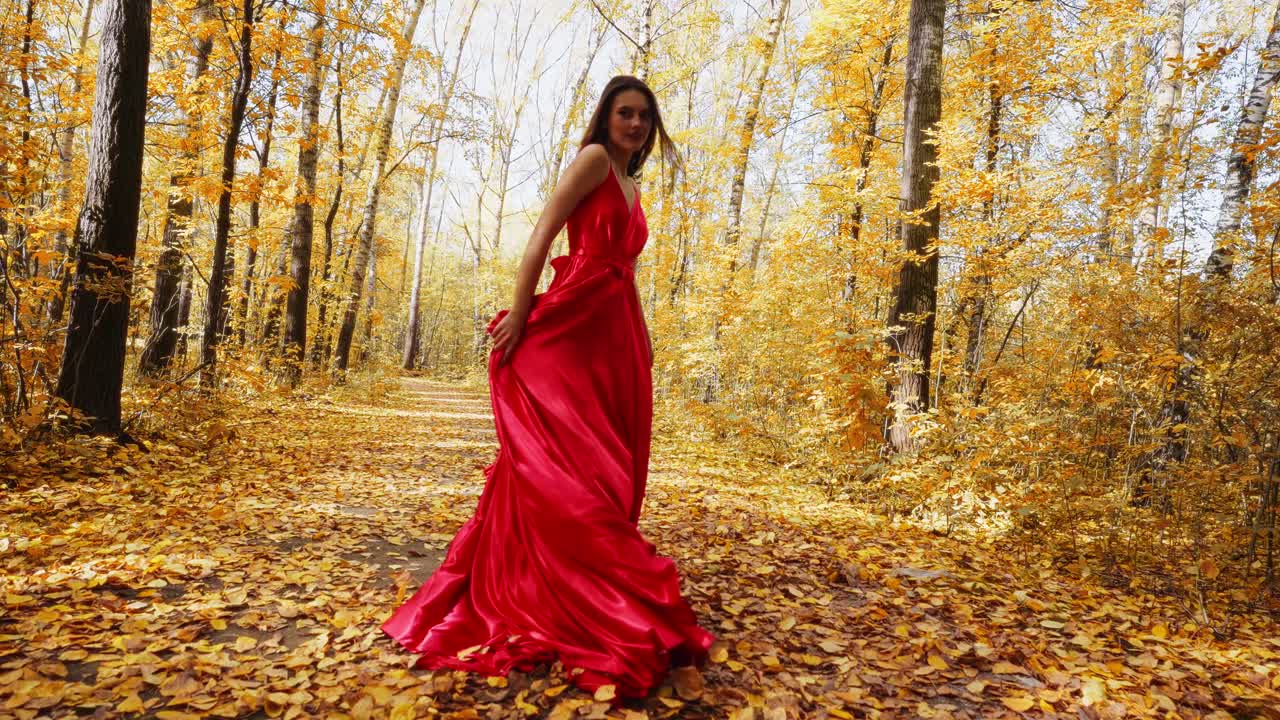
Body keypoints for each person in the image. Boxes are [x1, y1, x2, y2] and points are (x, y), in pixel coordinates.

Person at [381, 75, 715, 700]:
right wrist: (522, 312)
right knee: (564, 465)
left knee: (609, 467)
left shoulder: (632, 183)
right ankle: (589, 594)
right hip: (570, 325)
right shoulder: (592, 160)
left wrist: (640, 340)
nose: (635, 124)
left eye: (644, 115)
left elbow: (626, 271)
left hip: (612, 336)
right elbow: (543, 233)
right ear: (606, 117)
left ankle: (569, 584)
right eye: (625, 113)